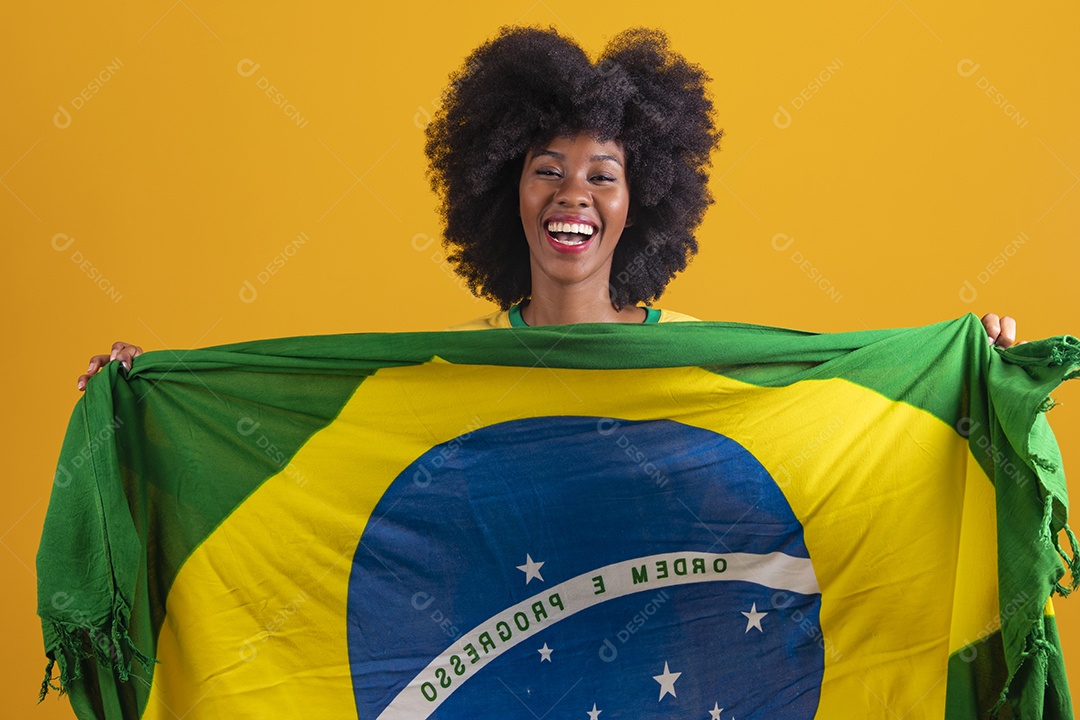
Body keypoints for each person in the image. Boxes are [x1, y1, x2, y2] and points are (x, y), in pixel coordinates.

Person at [75, 26, 1021, 390]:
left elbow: (839, 443)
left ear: (642, 198)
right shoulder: (454, 376)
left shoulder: (704, 367)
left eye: (603, 172)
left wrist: (968, 371)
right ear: (503, 190)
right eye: (545, 168)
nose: (574, 194)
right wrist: (146, 395)